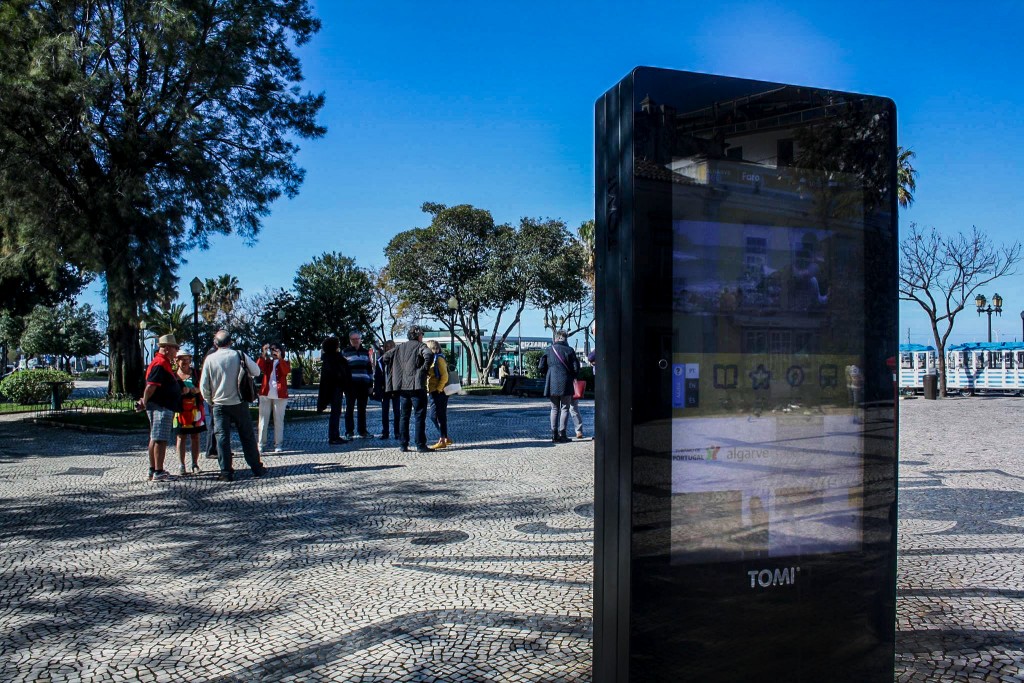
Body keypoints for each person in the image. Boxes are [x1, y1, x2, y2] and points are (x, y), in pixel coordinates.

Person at [199, 330, 266, 481]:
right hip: (239, 402)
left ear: (215, 343)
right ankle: (256, 468)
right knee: (247, 436)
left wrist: (211, 400)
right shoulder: (239, 355)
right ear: (230, 342)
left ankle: (226, 472)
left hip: (219, 404)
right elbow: (256, 371)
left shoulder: (210, 359)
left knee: (222, 439)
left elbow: (204, 386)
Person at [137, 334, 183, 481]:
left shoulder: (163, 362)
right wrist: (144, 401)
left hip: (160, 405)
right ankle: (158, 470)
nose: (177, 351)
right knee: (160, 439)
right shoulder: (160, 364)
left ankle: (153, 469)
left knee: (155, 437)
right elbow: (151, 386)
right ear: (167, 348)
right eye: (175, 348)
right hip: (160, 406)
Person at [381, 326, 434, 453]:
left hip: (403, 386)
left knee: (404, 416)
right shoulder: (420, 346)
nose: (422, 336)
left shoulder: (400, 347)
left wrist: (397, 369)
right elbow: (429, 354)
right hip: (416, 386)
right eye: (422, 334)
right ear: (419, 335)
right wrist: (423, 369)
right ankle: (420, 444)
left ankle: (403, 444)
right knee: (419, 416)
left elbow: (385, 357)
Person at [538, 330, 580, 443]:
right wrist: (572, 375)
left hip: (552, 382)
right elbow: (576, 368)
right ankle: (563, 434)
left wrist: (549, 372)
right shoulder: (570, 350)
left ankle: (554, 434)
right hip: (566, 381)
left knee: (554, 408)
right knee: (565, 408)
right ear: (565, 338)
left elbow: (541, 367)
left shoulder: (549, 349)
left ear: (556, 338)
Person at [173, 349, 206, 475]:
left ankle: (195, 463)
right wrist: (181, 392)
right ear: (177, 361)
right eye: (183, 360)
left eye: (188, 359)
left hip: (195, 409)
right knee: (181, 437)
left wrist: (196, 390)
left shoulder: (196, 374)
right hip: (180, 410)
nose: (186, 362)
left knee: (195, 437)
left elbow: (204, 387)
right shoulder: (174, 375)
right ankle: (181, 465)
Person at [257, 343, 290, 453]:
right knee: (263, 420)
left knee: (279, 421)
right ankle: (261, 443)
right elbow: (258, 368)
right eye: (272, 350)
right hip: (265, 394)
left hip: (280, 396)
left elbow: (285, 371)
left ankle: (278, 444)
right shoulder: (267, 362)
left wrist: (279, 358)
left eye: (276, 350)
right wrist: (264, 353)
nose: (274, 352)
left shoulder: (285, 362)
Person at [316, 336, 350, 445]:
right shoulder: (335, 359)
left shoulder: (328, 359)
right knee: (335, 412)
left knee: (336, 412)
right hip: (335, 388)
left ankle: (335, 435)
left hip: (332, 387)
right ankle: (333, 436)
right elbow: (338, 374)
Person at [342, 331, 373, 438]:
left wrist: (370, 385)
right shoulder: (345, 352)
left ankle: (362, 431)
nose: (355, 341)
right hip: (351, 385)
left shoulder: (365, 352)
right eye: (353, 339)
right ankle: (349, 431)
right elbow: (343, 370)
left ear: (360, 339)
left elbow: (369, 370)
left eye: (357, 339)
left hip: (364, 385)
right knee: (349, 409)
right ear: (350, 340)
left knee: (362, 409)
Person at [425, 340, 453, 450]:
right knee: (440, 415)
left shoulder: (438, 359)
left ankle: (443, 438)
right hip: (434, 391)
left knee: (434, 416)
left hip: (438, 392)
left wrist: (438, 389)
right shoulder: (433, 359)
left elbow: (444, 376)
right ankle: (444, 438)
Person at [373, 340, 400, 440]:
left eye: (390, 346)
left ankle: (397, 432)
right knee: (385, 412)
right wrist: (377, 390)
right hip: (384, 389)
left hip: (395, 389)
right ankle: (385, 432)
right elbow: (377, 377)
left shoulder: (398, 360)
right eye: (386, 347)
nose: (388, 348)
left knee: (397, 412)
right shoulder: (380, 361)